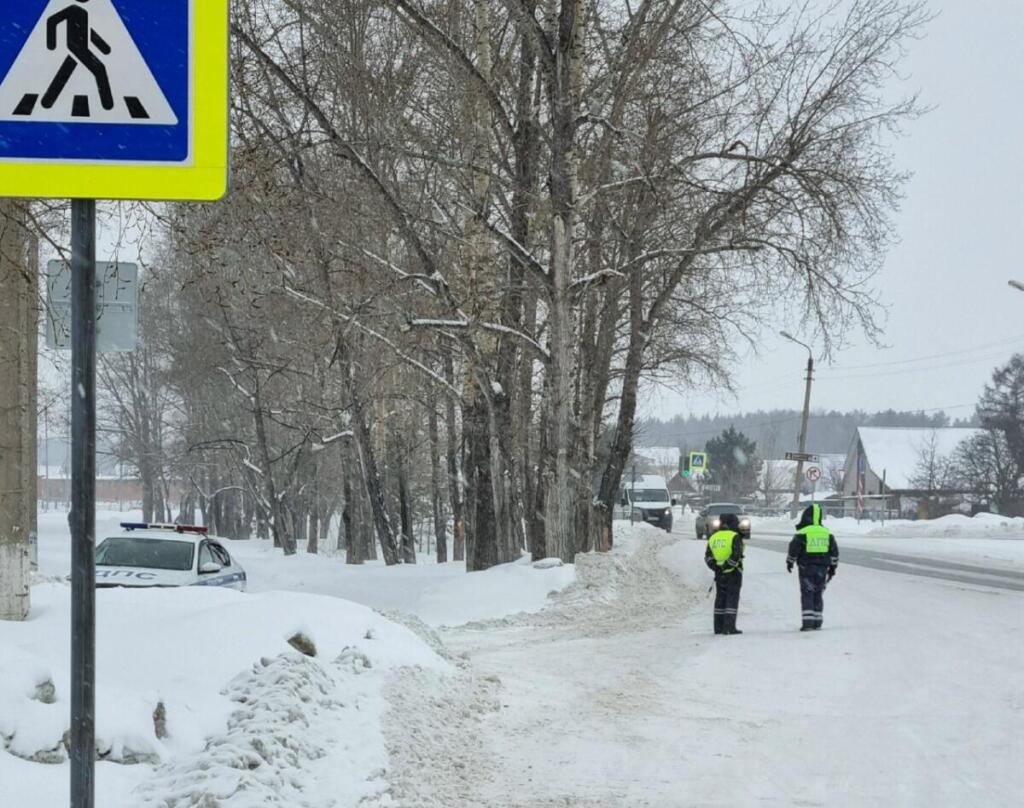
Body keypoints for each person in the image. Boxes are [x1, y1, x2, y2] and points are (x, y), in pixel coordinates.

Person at [787, 504, 839, 631]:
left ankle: (808, 623)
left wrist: (790, 561)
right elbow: (834, 552)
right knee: (818, 593)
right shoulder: (826, 533)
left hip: (806, 567)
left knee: (807, 593)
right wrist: (833, 568)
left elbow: (794, 549)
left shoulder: (802, 532)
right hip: (822, 568)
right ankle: (817, 621)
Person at [705, 512, 744, 635]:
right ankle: (729, 627)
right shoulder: (734, 536)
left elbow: (708, 557)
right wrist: (727, 566)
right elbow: (736, 554)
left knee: (720, 599)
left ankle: (718, 627)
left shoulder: (713, 537)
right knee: (732, 599)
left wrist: (717, 568)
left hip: (719, 574)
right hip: (733, 572)